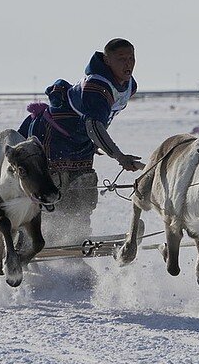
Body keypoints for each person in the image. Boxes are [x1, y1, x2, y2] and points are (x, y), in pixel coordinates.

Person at [18, 38, 144, 247]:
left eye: (131, 58)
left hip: (81, 143)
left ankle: (75, 239)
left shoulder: (129, 86)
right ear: (107, 60)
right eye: (121, 59)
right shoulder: (96, 86)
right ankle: (36, 237)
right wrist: (119, 156)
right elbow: (94, 125)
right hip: (53, 137)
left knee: (83, 193)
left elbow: (101, 121)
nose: (128, 64)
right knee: (52, 192)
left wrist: (96, 143)